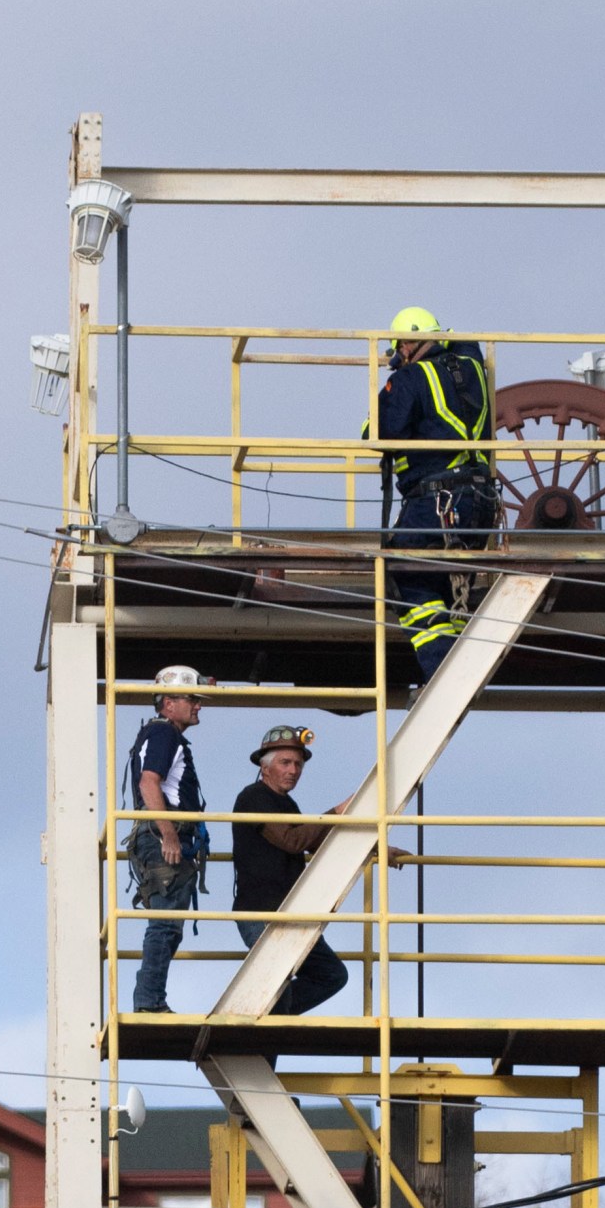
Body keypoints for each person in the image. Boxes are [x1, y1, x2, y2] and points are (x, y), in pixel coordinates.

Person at [370, 308, 500, 683]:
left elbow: (380, 434)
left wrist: (391, 384)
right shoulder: (475, 367)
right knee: (442, 587)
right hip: (480, 505)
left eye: (399, 347)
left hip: (438, 503)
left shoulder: (411, 377)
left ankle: (445, 672)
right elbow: (466, 344)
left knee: (402, 572)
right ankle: (455, 659)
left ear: (407, 345)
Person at [230, 725, 351, 1014]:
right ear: (265, 767)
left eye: (298, 764)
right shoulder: (253, 798)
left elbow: (314, 840)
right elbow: (292, 840)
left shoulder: (287, 805)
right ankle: (264, 1023)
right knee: (277, 991)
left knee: (331, 975)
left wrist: (378, 850)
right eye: (286, 762)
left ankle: (265, 1019)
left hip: (290, 915)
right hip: (263, 914)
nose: (294, 770)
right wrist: (337, 813)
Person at [127, 664, 214, 1013]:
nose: (198, 705)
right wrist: (169, 836)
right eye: (191, 698)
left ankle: (151, 1000)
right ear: (168, 703)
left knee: (169, 925)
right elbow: (150, 782)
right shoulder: (164, 735)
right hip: (164, 838)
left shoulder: (162, 734)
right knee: (164, 925)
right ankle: (149, 1002)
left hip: (162, 838)